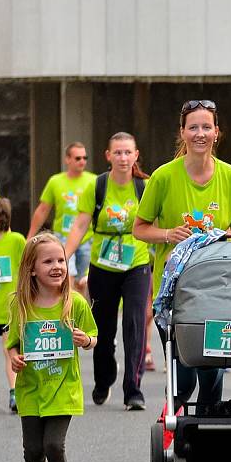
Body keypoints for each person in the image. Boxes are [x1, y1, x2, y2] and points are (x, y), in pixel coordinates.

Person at [133, 99, 231, 413]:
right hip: (174, 293)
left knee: (212, 372)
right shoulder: (162, 177)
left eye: (206, 127)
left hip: (218, 291)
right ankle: (176, 422)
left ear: (217, 132)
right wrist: (168, 234)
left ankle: (205, 435)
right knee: (184, 379)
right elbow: (139, 228)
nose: (200, 133)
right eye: (193, 127)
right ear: (182, 133)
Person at [6, 233, 97, 462]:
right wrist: (15, 357)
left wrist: (86, 340)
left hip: (62, 388)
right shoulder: (23, 306)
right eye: (48, 261)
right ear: (32, 268)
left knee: (54, 445)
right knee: (32, 451)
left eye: (61, 260)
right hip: (31, 389)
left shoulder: (75, 304)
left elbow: (94, 337)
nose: (57, 266)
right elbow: (13, 343)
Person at [64, 133, 152, 410]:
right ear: (108, 155)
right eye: (118, 153)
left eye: (128, 153)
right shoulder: (97, 185)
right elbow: (80, 225)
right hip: (102, 265)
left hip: (136, 263)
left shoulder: (145, 186)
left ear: (136, 155)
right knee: (102, 328)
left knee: (135, 325)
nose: (123, 158)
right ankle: (103, 380)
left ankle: (133, 390)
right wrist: (63, 256)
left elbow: (158, 220)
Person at [28, 142, 96, 298]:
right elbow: (43, 210)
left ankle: (77, 316)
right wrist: (30, 236)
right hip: (63, 237)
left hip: (88, 238)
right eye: (78, 158)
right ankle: (66, 313)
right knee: (67, 276)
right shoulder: (55, 181)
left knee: (83, 283)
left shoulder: (94, 181)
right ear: (67, 159)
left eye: (85, 158)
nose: (82, 161)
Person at [0, 198, 26, 412]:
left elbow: (26, 267)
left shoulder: (15, 240)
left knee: (10, 351)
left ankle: (14, 393)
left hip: (8, 309)